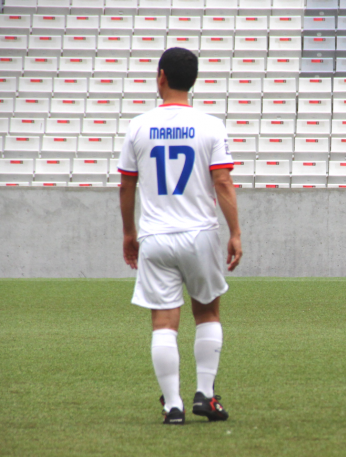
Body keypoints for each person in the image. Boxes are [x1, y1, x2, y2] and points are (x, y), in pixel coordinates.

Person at [117, 47, 243, 425]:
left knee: (163, 322)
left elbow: (126, 186)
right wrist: (236, 232)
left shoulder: (138, 126)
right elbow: (222, 181)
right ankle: (205, 394)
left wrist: (128, 232)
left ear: (161, 77)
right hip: (200, 234)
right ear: (194, 80)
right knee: (206, 311)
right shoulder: (210, 125)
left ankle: (173, 406)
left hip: (155, 236)